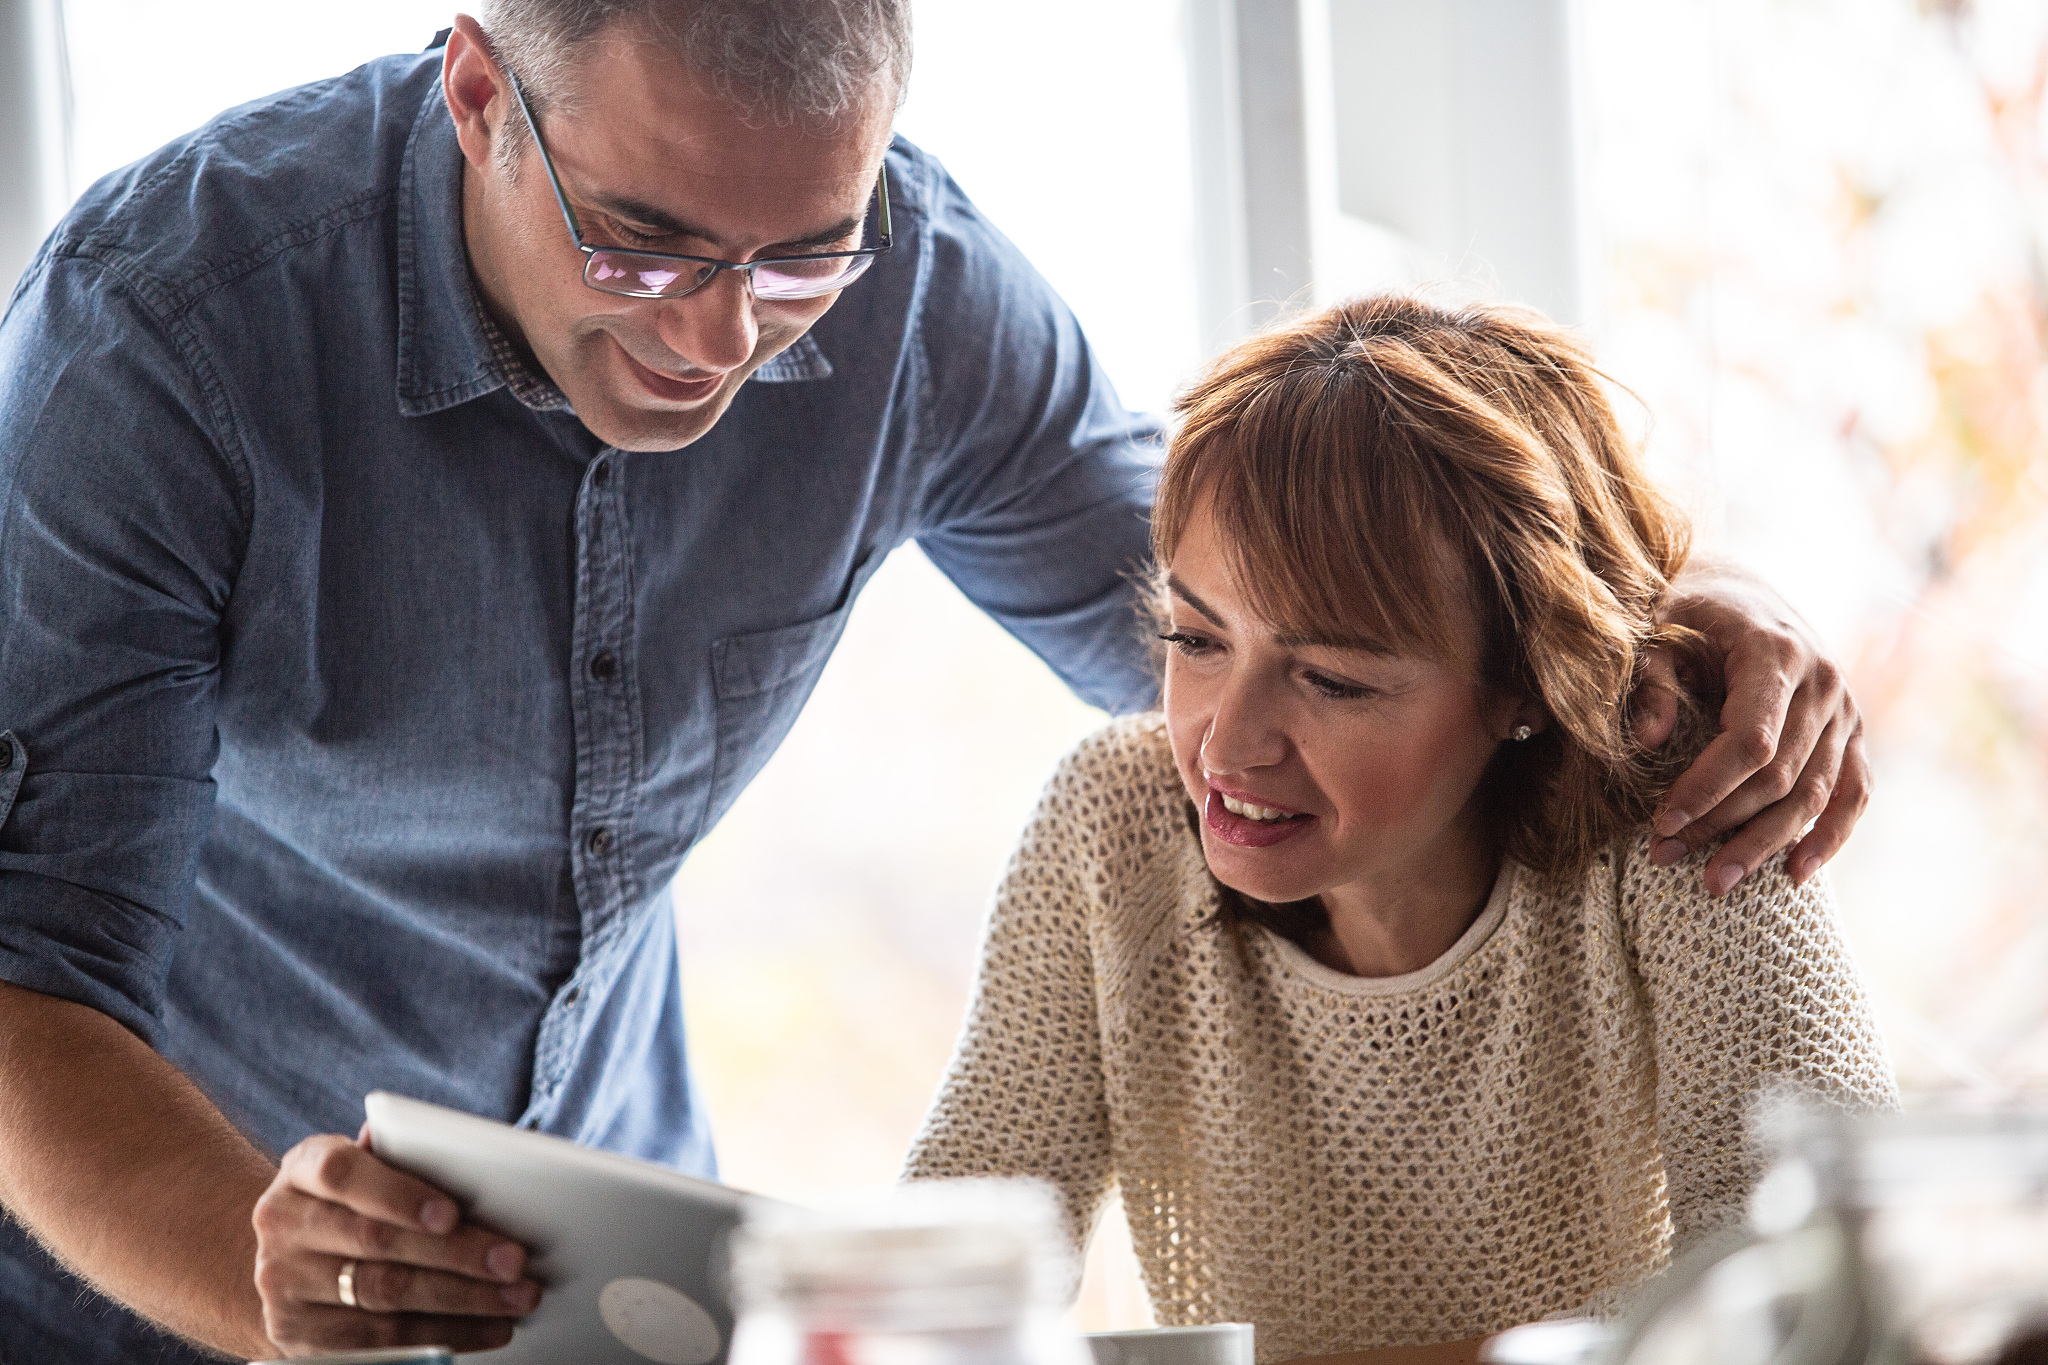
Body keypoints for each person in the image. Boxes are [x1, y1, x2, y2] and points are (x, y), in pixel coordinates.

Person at [0, 1, 1864, 1359]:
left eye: (802, 255)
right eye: (644, 245)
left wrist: (1675, 604)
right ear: (481, 94)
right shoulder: (158, 334)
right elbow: (27, 980)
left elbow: (1284, 604)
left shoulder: (921, 293)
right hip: (149, 1264)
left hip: (597, 1281)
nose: (722, 338)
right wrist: (280, 1282)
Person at [904, 294, 1899, 1362]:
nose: (1225, 747)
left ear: (1524, 684)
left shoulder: (1690, 821)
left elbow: (1833, 1292)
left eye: (1331, 680)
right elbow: (929, 1290)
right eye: (1195, 639)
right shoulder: (1114, 824)